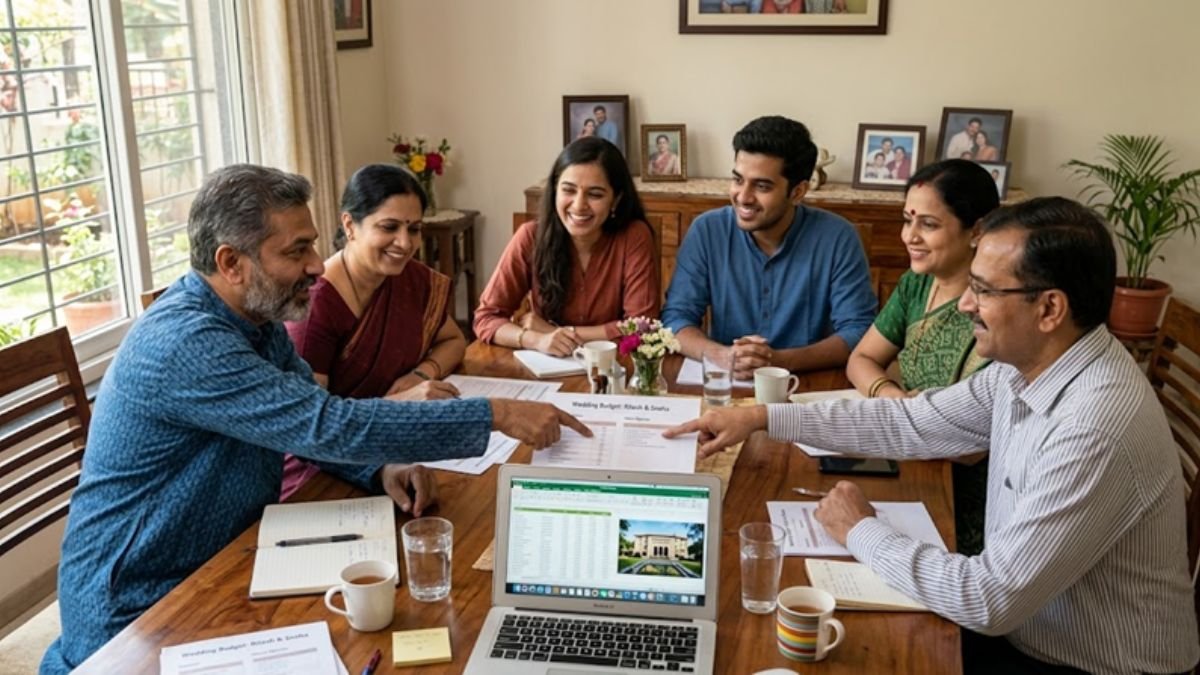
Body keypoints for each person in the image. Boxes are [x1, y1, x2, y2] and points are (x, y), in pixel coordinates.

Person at [40, 164, 589, 674]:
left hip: (233, 558)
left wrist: (379, 470)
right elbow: (329, 423)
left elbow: (307, 421)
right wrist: (495, 413)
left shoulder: (256, 320)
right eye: (296, 250)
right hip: (138, 603)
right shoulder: (190, 342)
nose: (312, 265)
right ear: (231, 263)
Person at [666, 197, 1200, 675]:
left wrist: (860, 530)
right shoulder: (1030, 366)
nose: (966, 304)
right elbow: (911, 422)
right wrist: (762, 417)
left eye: (984, 290)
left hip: (1081, 662)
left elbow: (988, 599)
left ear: (1050, 309)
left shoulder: (1093, 428)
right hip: (1035, 630)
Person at [281, 164, 465, 500]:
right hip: (325, 470)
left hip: (396, 445)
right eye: (389, 227)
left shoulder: (409, 279)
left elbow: (453, 340)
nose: (405, 243)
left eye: (414, 229)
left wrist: (422, 373)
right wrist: (399, 403)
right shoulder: (315, 307)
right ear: (349, 225)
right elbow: (313, 429)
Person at [846, 159, 999, 555]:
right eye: (907, 220)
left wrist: (911, 417)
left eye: (928, 224)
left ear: (977, 230)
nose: (909, 236)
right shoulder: (917, 284)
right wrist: (892, 398)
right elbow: (860, 359)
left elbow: (971, 445)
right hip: (910, 456)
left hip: (967, 498)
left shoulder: (996, 308)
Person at [662, 116, 876, 378]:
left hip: (806, 384)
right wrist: (722, 355)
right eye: (738, 180)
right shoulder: (707, 230)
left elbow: (858, 331)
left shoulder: (838, 237)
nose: (743, 196)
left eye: (762, 186)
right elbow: (676, 319)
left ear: (798, 192)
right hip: (727, 380)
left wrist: (776, 361)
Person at [474, 137, 659, 355]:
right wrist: (535, 339)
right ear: (554, 191)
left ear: (615, 200)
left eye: (595, 194)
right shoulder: (530, 237)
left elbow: (641, 329)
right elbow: (486, 318)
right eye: (569, 190)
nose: (579, 205)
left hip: (614, 370)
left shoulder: (634, 236)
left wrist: (553, 331)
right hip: (545, 370)